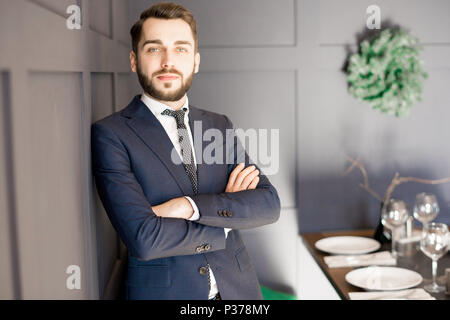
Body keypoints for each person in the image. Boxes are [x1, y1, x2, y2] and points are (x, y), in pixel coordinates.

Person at [91, 2, 280, 300]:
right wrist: (226, 221)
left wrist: (187, 206)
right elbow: (144, 238)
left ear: (195, 61)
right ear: (134, 60)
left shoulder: (218, 125)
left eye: (181, 49)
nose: (168, 61)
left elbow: (268, 204)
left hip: (238, 293)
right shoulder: (112, 134)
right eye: (154, 49)